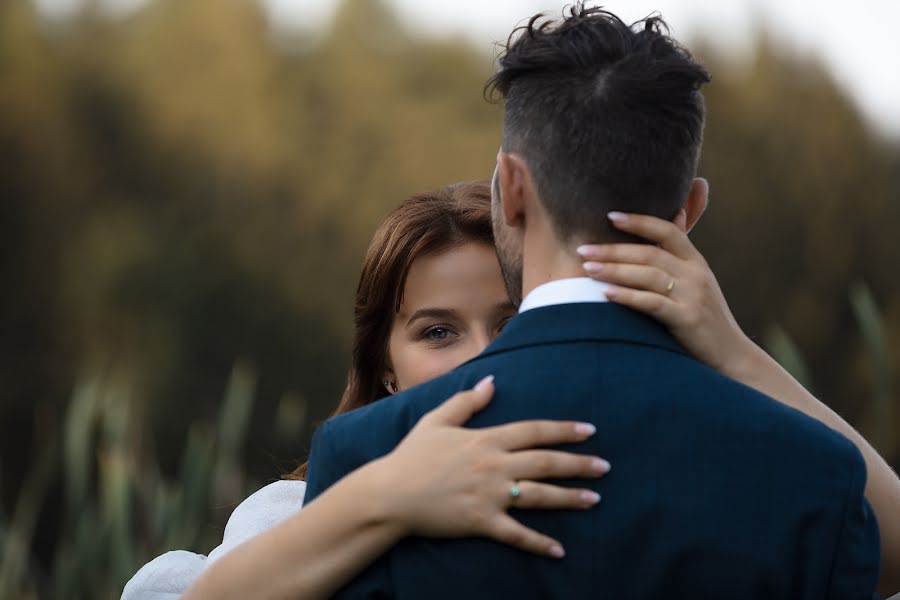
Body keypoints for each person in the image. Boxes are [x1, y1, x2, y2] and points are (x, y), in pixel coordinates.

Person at [303, 6, 892, 599]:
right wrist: (737, 353)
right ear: (689, 208)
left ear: (510, 189)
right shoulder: (816, 472)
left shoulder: (368, 457)